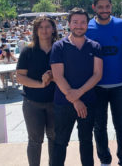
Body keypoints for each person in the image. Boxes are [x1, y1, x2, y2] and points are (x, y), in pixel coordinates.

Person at [50, 8, 103, 166]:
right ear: (69, 24)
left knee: (86, 142)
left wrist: (79, 94)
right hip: (64, 102)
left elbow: (97, 74)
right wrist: (75, 100)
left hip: (88, 101)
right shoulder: (59, 46)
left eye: (83, 22)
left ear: (87, 24)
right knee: (60, 142)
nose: (79, 26)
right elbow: (58, 76)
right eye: (75, 22)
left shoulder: (95, 46)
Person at [85, 0, 122, 166]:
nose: (104, 10)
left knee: (121, 127)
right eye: (101, 7)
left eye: (107, 6)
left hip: (120, 85)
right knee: (99, 127)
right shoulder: (87, 27)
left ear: (112, 7)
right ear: (94, 8)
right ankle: (105, 160)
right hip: (96, 86)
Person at [16, 16, 57, 166]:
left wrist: (53, 77)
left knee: (54, 139)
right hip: (32, 102)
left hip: (55, 102)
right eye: (41, 27)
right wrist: (41, 84)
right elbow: (20, 77)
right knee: (35, 141)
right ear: (36, 30)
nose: (44, 30)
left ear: (53, 29)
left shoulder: (59, 49)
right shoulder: (28, 50)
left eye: (47, 26)